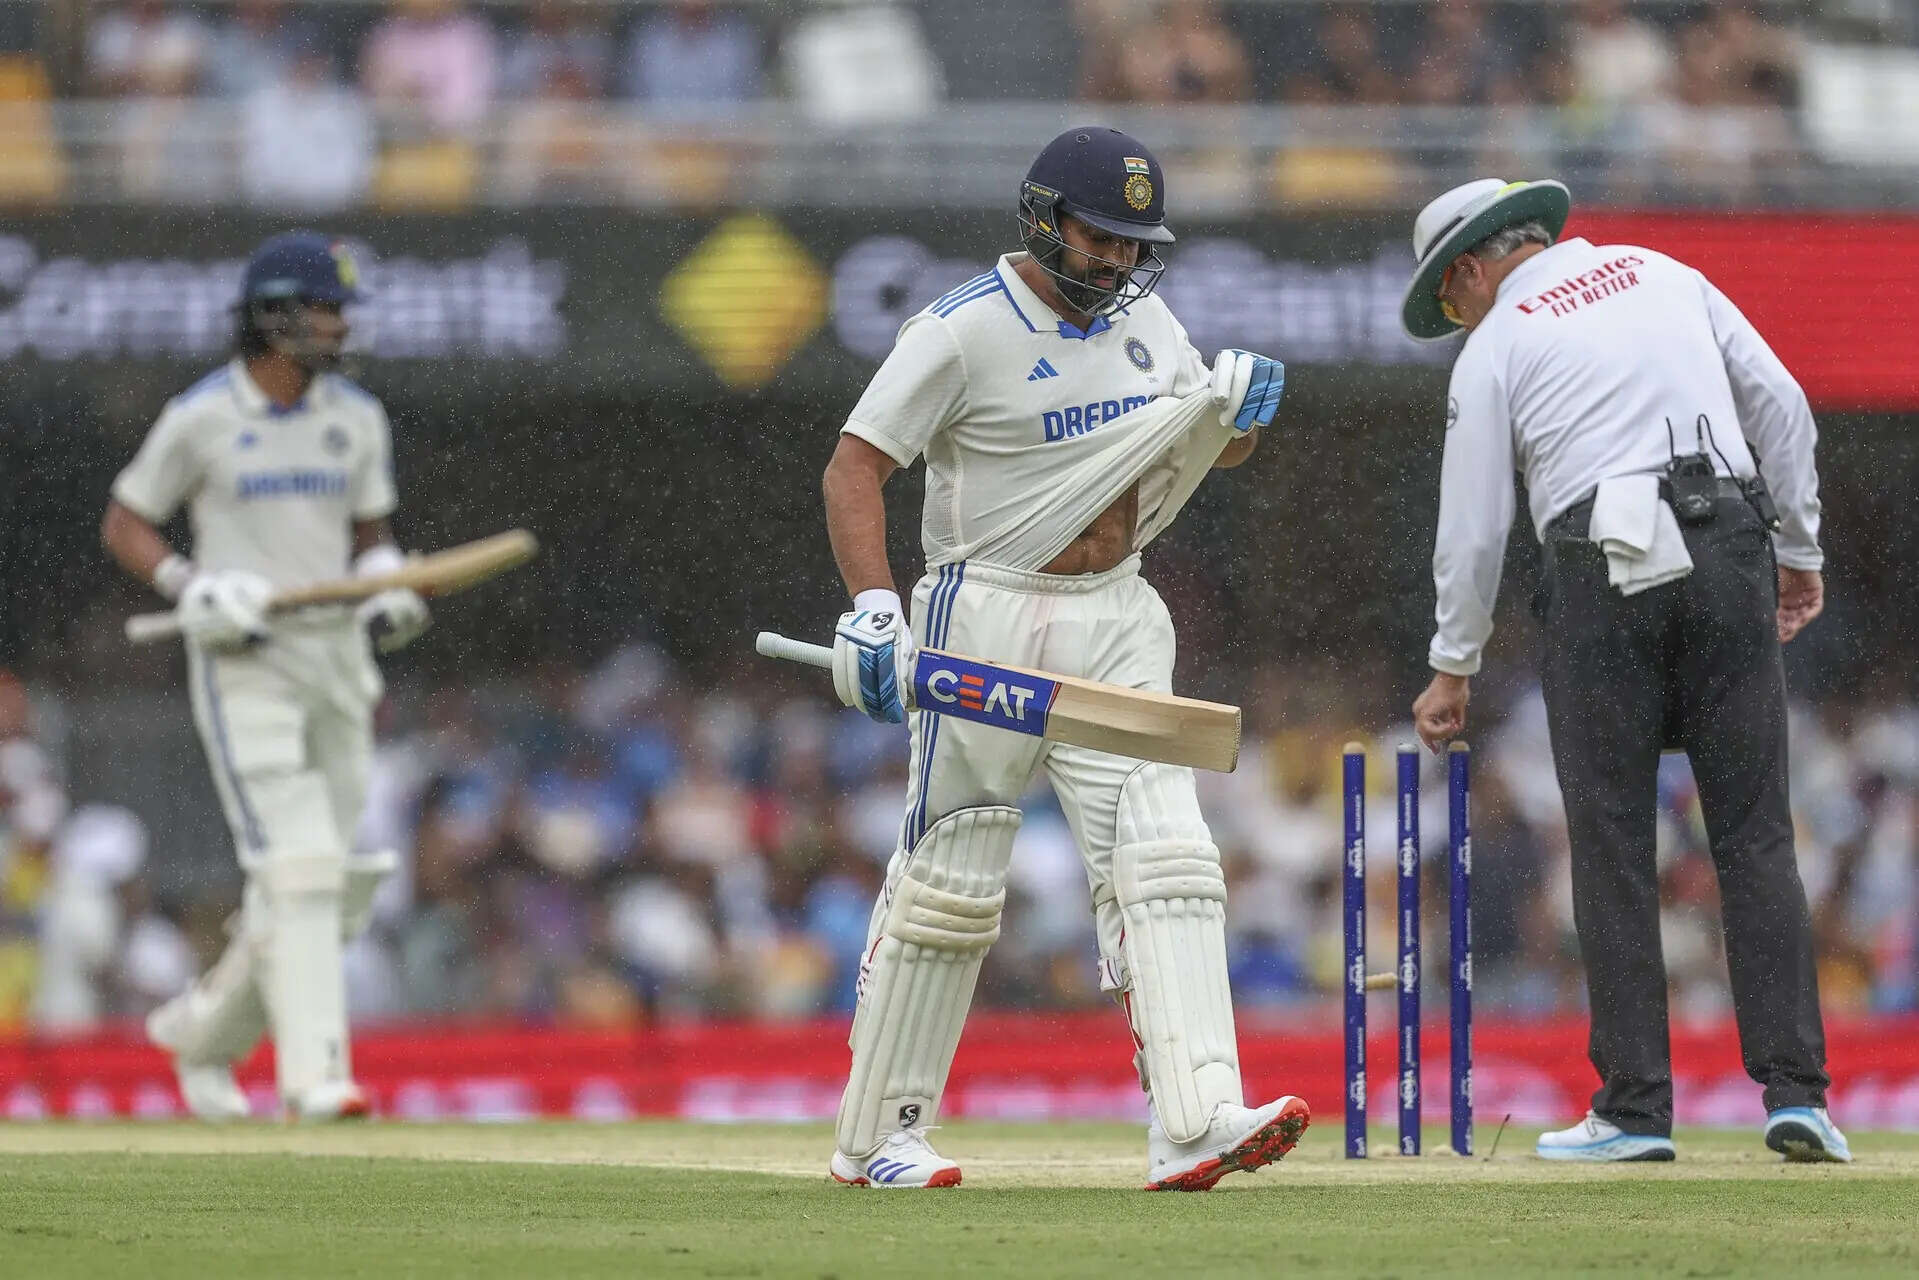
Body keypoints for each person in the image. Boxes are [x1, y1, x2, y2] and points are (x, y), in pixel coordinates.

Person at [818, 126, 1300, 1190]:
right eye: (1099, 238)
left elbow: (1205, 438)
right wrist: (872, 609)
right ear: (1041, 218)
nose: (1118, 262)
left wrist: (1241, 417)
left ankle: (1194, 1116)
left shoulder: (1146, 317)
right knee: (953, 876)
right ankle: (878, 1135)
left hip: (1117, 609)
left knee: (1168, 855)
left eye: (1135, 244)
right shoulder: (956, 332)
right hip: (980, 608)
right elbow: (853, 468)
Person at [1401, 178, 1847, 1162]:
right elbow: (1778, 402)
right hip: (1726, 534)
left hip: (1601, 560)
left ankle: (1635, 1109)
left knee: (1608, 838)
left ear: (1469, 267)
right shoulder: (1659, 270)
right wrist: (1799, 549)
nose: (1451, 313)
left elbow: (1472, 525)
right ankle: (1798, 1095)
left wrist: (1451, 663)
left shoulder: (1495, 342)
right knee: (1752, 831)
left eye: (1446, 296)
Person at [101, 232, 430, 1120]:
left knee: (336, 883)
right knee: (302, 869)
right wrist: (189, 583)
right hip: (246, 664)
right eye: (325, 307)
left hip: (336, 662)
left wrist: (385, 591)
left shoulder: (356, 418)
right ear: (274, 314)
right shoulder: (202, 416)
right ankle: (315, 1077)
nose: (338, 324)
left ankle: (204, 1033)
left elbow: (370, 538)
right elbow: (127, 521)